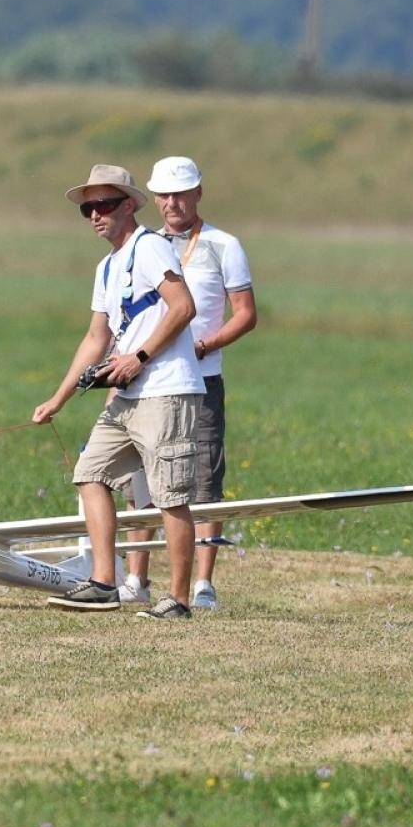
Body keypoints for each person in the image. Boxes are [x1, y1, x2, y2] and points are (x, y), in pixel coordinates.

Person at [32, 164, 204, 620]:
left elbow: (183, 306)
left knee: (169, 496)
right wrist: (59, 398)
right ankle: (104, 584)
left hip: (167, 391)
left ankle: (179, 600)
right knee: (90, 472)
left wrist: (139, 357)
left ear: (129, 205)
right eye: (88, 208)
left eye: (104, 205)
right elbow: (95, 338)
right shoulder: (106, 267)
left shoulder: (149, 249)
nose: (95, 215)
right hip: (127, 398)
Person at [118, 156, 258, 612]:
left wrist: (205, 346)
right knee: (143, 479)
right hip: (150, 379)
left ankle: (202, 584)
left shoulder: (223, 245)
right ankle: (135, 577)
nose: (172, 203)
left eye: (181, 193)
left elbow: (246, 315)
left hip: (202, 380)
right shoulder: (145, 245)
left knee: (202, 479)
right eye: (164, 195)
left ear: (199, 193)